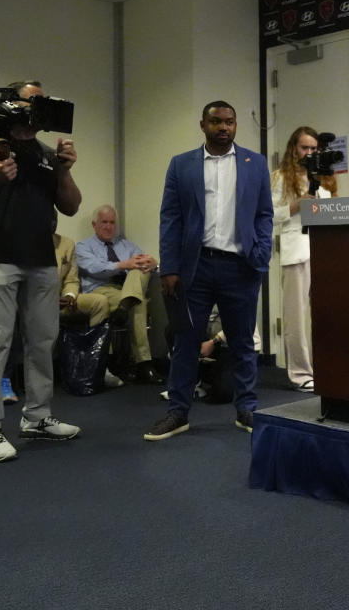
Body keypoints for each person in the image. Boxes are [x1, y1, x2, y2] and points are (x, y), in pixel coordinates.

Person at [0, 80, 82, 463]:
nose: (39, 110)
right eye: (34, 101)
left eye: (44, 103)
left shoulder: (45, 152)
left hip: (41, 261)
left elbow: (71, 206)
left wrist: (64, 170)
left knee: (42, 341)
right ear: (12, 103)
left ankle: (37, 417)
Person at [145, 100, 273, 441]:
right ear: (203, 124)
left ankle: (247, 408)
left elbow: (264, 214)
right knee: (186, 342)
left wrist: (261, 254)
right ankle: (178, 413)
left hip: (241, 267)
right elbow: (170, 218)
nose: (224, 128)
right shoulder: (181, 165)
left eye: (229, 122)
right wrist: (169, 266)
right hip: (195, 268)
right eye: (216, 122)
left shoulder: (255, 164)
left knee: (243, 342)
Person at [271, 126, 338, 392]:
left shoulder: (325, 176)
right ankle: (301, 374)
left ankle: (325, 367)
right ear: (293, 149)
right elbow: (267, 215)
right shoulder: (280, 177)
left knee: (323, 313)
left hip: (323, 250)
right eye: (304, 148)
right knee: (296, 317)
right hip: (296, 250)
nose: (309, 152)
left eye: (313, 148)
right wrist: (296, 206)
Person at [75, 204, 163, 384]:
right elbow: (94, 268)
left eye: (112, 222)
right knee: (138, 300)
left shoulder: (126, 245)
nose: (108, 226)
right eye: (104, 222)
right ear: (94, 225)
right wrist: (123, 265)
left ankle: (126, 304)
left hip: (124, 291)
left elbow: (143, 263)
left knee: (139, 273)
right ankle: (143, 364)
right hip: (101, 290)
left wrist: (153, 262)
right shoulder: (83, 246)